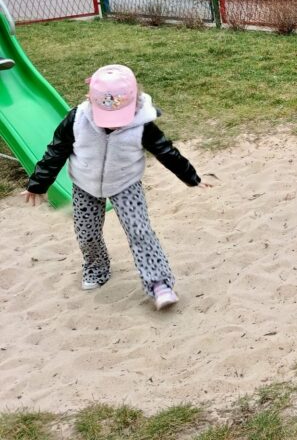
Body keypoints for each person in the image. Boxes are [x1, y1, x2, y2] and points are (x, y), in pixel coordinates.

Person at [22, 64, 207, 311]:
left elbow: (165, 151)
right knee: (87, 234)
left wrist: (191, 177)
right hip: (85, 184)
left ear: (135, 103)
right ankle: (97, 267)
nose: (113, 126)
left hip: (125, 183)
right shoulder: (77, 119)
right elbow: (56, 152)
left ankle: (159, 283)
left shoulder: (142, 123)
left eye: (119, 119)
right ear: (90, 100)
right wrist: (38, 183)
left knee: (139, 231)